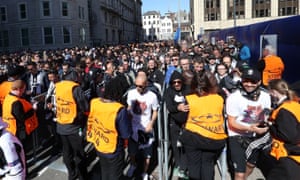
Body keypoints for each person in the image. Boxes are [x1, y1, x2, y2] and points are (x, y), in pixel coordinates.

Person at [179, 71, 227, 180]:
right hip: (214, 137)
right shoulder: (219, 98)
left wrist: (179, 108)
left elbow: (182, 118)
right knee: (208, 164)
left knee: (194, 166)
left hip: (193, 137)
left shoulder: (189, 98)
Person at [226, 67, 271, 180]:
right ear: (241, 80)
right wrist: (251, 128)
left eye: (253, 81)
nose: (249, 84)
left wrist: (265, 126)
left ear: (259, 82)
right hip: (237, 136)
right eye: (246, 80)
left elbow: (266, 115)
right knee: (239, 172)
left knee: (250, 166)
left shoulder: (266, 96)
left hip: (256, 136)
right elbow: (231, 123)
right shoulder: (233, 98)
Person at [87, 76, 131, 180]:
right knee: (114, 175)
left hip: (99, 144)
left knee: (104, 172)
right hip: (113, 149)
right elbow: (126, 134)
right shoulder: (119, 109)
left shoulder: (95, 102)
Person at [54, 71, 89, 180]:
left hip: (61, 125)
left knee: (67, 152)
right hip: (74, 126)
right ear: (74, 78)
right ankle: (82, 176)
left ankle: (71, 174)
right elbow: (85, 106)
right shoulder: (75, 88)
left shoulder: (58, 86)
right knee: (78, 153)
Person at [126, 75, 159, 180]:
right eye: (136, 85)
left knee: (147, 155)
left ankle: (144, 172)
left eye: (140, 86)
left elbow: (155, 111)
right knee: (132, 151)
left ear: (146, 84)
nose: (138, 88)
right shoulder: (131, 93)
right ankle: (133, 165)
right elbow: (129, 107)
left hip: (146, 128)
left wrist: (151, 123)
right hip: (133, 127)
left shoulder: (152, 96)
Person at [266, 79, 300, 180]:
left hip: (289, 155)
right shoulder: (294, 104)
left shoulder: (284, 111)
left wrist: (270, 125)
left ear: (274, 92)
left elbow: (289, 136)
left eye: (269, 92)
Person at [163, 71, 189, 178]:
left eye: (179, 82)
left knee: (186, 145)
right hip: (174, 122)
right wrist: (178, 108)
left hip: (187, 122)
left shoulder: (187, 90)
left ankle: (184, 167)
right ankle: (178, 165)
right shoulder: (169, 91)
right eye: (174, 82)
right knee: (175, 144)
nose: (177, 84)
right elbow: (169, 105)